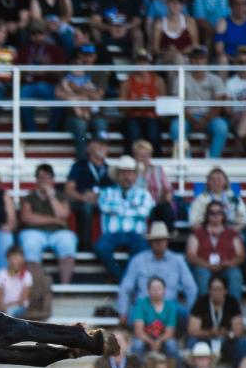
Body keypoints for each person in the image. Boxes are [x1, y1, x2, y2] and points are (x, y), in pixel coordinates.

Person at [117, 220, 197, 322]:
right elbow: (125, 288)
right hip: (145, 306)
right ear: (150, 242)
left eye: (162, 239)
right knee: (132, 317)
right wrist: (123, 312)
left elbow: (191, 288)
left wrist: (192, 314)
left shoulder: (177, 261)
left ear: (167, 241)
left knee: (191, 322)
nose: (159, 243)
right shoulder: (138, 260)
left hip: (170, 306)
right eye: (156, 240)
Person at [95, 154, 153, 282]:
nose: (126, 177)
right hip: (112, 234)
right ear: (117, 175)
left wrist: (118, 209)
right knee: (100, 247)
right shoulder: (106, 192)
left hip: (135, 234)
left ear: (134, 175)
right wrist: (132, 209)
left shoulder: (143, 193)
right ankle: (124, 279)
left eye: (130, 173)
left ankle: (124, 278)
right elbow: (104, 207)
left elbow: (146, 211)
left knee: (142, 248)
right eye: (123, 173)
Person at [18, 163, 77, 284]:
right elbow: (27, 217)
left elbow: (63, 214)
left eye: (47, 177)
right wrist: (54, 220)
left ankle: (65, 288)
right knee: (30, 245)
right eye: (41, 177)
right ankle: (39, 289)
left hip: (59, 233)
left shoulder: (60, 196)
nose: (44, 180)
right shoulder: (28, 197)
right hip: (34, 232)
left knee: (68, 244)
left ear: (53, 180)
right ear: (36, 179)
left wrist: (51, 196)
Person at [186, 201, 246, 300]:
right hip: (204, 267)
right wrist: (207, 264)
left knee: (235, 274)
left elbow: (241, 256)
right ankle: (204, 310)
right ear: (207, 215)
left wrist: (228, 263)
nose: (216, 216)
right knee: (202, 274)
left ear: (223, 215)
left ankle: (233, 310)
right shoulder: (197, 234)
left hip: (226, 267)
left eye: (219, 213)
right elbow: (191, 255)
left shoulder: (232, 233)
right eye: (212, 213)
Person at [64, 135, 113, 250]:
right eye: (98, 143)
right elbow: (68, 189)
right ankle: (85, 247)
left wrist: (100, 198)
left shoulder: (110, 170)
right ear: (88, 148)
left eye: (105, 144)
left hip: (103, 202)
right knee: (86, 207)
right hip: (82, 201)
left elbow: (114, 192)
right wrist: (83, 197)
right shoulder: (79, 166)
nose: (102, 147)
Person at [187, 274, 246, 368]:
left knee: (242, 343)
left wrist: (226, 333)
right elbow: (192, 330)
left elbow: (238, 331)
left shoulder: (232, 302)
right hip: (206, 340)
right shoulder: (201, 302)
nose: (216, 292)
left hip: (226, 341)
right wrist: (209, 332)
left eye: (219, 289)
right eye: (213, 289)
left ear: (225, 290)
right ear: (209, 290)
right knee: (192, 342)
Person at [130, 276, 180, 360]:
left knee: (172, 345)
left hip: (163, 340)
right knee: (137, 345)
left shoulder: (171, 306)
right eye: (153, 288)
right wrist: (151, 342)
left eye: (159, 288)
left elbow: (170, 332)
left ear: (165, 290)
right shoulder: (141, 304)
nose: (156, 291)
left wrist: (159, 341)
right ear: (148, 291)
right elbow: (138, 331)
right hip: (145, 339)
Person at [188, 166, 246, 231]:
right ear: (208, 182)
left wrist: (231, 231)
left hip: (232, 230)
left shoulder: (234, 197)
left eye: (219, 179)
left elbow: (244, 221)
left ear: (225, 181)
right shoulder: (200, 199)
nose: (216, 182)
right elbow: (194, 223)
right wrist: (211, 231)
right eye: (213, 180)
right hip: (207, 232)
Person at [0, 246, 31, 317]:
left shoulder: (26, 275)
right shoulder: (1, 274)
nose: (16, 261)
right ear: (8, 259)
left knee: (9, 313)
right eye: (14, 258)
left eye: (19, 258)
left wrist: (8, 306)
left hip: (20, 307)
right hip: (4, 307)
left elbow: (23, 299)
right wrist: (2, 305)